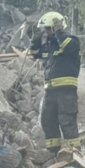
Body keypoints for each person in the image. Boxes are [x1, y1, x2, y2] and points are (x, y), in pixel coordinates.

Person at [29, 12, 81, 159]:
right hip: (50, 92)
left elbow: (68, 47)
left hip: (66, 92)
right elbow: (35, 53)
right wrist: (36, 39)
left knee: (67, 122)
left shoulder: (71, 41)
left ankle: (74, 155)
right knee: (47, 120)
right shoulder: (50, 46)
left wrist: (59, 32)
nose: (46, 32)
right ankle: (53, 154)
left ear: (56, 27)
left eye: (48, 28)